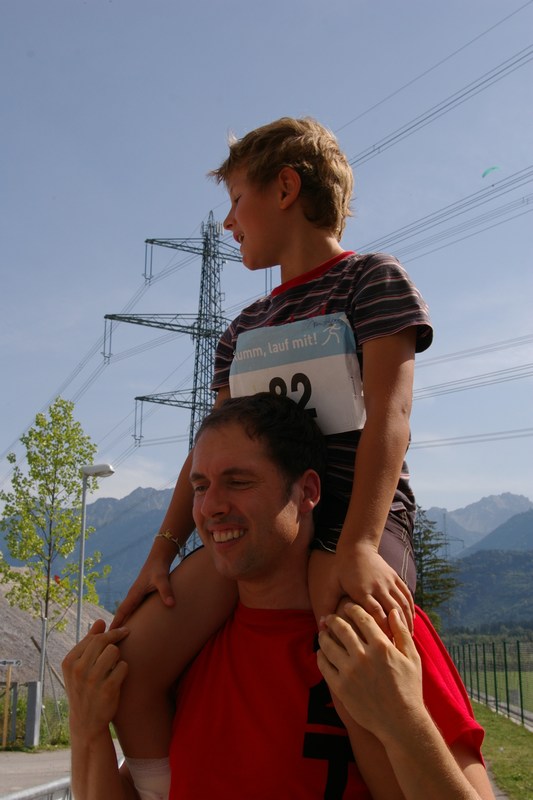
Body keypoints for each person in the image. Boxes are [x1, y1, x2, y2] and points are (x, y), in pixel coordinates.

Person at [110, 117, 433, 781]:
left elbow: (391, 416)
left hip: (353, 518)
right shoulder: (241, 330)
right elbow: (207, 450)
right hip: (263, 523)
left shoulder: (372, 280)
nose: (228, 222)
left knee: (354, 659)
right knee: (129, 664)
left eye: (236, 200)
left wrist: (359, 546)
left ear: (285, 188)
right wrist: (163, 551)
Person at [63, 394, 494, 800]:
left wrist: (403, 721)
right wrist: (87, 731)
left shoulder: (380, 632)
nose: (210, 507)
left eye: (238, 481)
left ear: (307, 492)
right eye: (200, 486)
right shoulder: (183, 650)